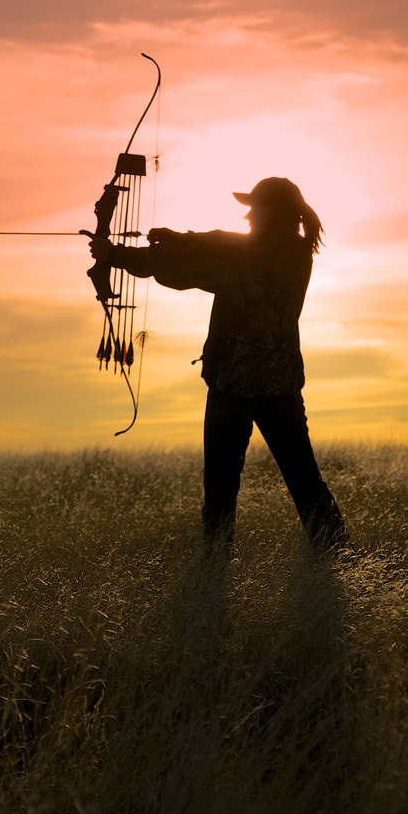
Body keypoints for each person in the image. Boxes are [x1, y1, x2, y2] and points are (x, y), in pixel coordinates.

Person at [91, 176, 349, 555]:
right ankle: (340, 564)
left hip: (233, 390)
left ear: (273, 210)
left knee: (220, 500)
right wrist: (187, 238)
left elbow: (190, 270)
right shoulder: (297, 253)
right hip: (282, 390)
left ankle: (213, 579)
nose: (247, 215)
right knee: (307, 486)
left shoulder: (250, 260)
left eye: (254, 207)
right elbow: (228, 241)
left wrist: (116, 256)